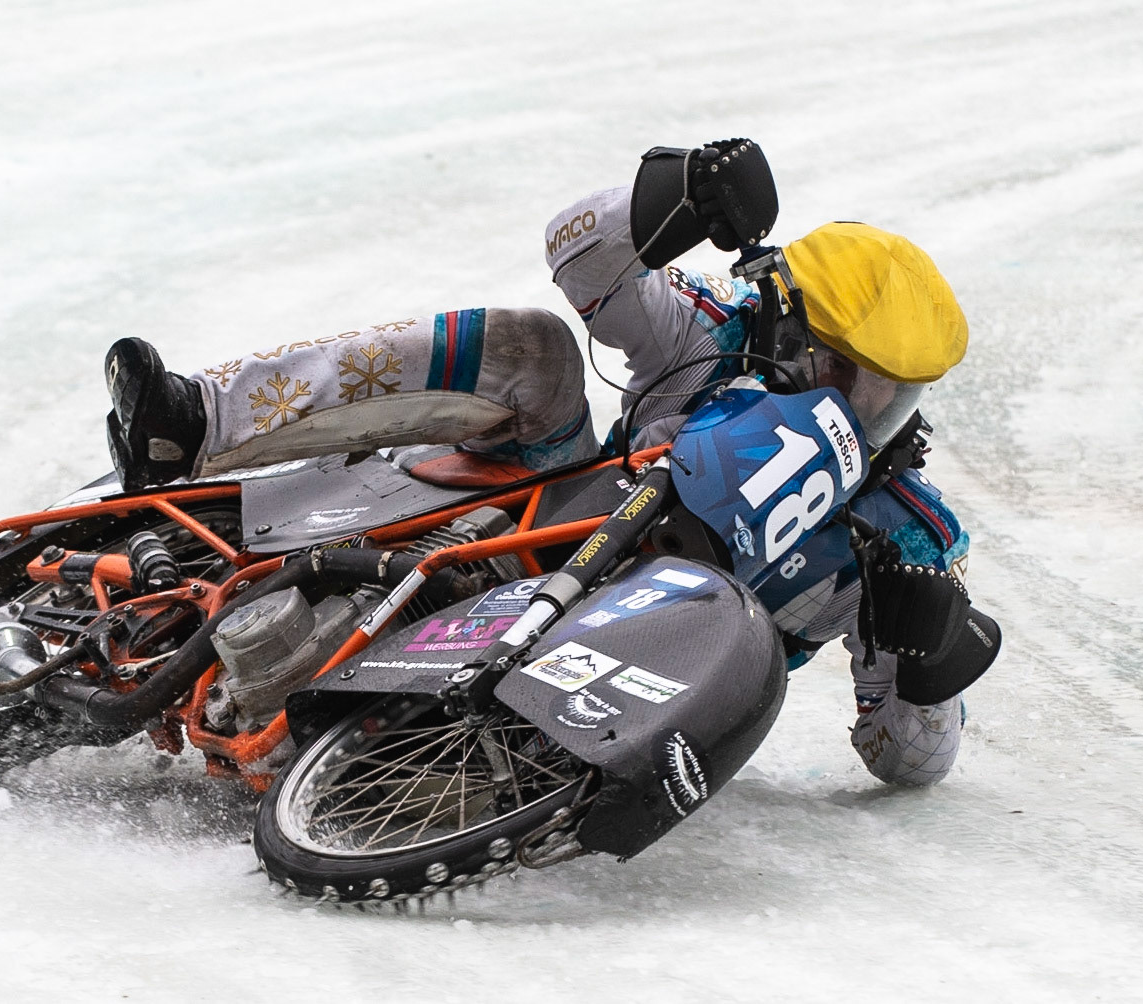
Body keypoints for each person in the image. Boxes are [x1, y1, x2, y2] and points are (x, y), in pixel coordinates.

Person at [103, 138, 1000, 787]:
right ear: (788, 326)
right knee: (536, 348)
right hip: (556, 518)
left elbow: (906, 761)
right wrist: (676, 192)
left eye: (897, 391)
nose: (867, 406)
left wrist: (929, 668)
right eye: (845, 371)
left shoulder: (907, 538)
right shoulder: (713, 337)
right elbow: (577, 252)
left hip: (638, 690)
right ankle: (196, 418)